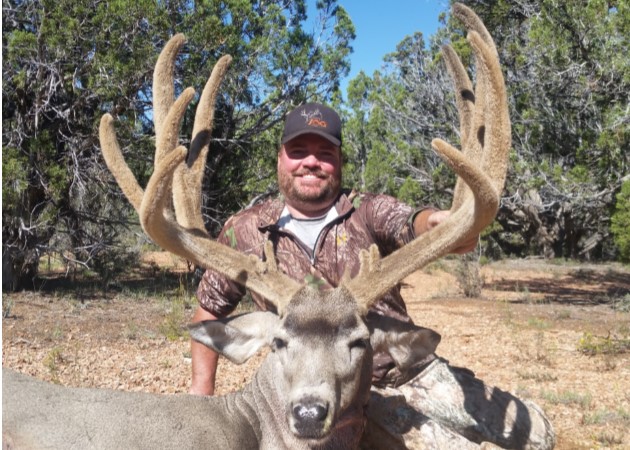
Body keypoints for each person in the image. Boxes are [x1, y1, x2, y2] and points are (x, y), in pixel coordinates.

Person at [191, 103, 555, 449]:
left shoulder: (367, 210)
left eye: (325, 153)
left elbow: (410, 222)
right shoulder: (247, 230)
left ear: (339, 162)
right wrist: (201, 399)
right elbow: (211, 308)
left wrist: (438, 226)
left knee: (539, 438)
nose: (311, 162)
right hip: (329, 389)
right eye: (298, 151)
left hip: (411, 366)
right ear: (280, 159)